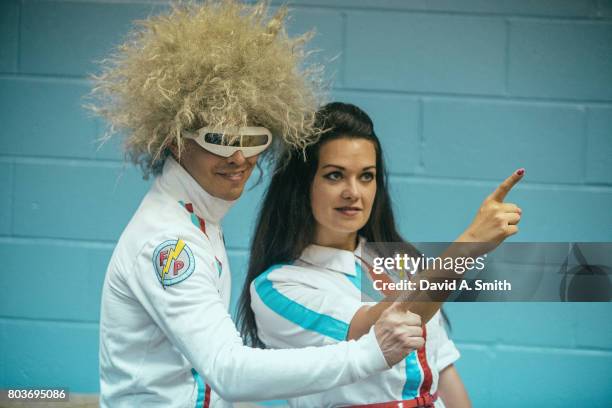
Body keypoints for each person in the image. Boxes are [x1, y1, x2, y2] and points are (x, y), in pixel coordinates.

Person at [89, 3, 426, 407]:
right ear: (175, 138)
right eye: (219, 139)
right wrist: (371, 353)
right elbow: (228, 369)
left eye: (253, 139)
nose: (239, 158)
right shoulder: (169, 242)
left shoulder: (198, 221)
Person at [239, 102, 524, 407]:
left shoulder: (400, 262)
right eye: (335, 176)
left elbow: (443, 369)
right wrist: (467, 246)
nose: (354, 192)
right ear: (301, 185)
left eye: (366, 176)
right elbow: (381, 328)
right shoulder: (277, 287)